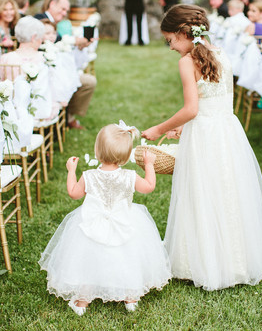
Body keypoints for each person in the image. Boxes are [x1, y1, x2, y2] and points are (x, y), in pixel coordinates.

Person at [141, 4, 262, 290]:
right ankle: (236, 260)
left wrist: (159, 128)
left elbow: (191, 109)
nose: (171, 48)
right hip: (226, 131)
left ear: (182, 32)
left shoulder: (187, 62)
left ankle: (200, 261)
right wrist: (185, 125)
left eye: (170, 41)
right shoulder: (222, 54)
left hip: (204, 134)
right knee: (227, 190)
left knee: (201, 191)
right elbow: (213, 103)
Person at [39, 122, 171, 314]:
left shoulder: (89, 176)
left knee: (89, 260)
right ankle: (130, 297)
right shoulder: (130, 176)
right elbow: (149, 186)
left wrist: (70, 171)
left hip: (91, 225)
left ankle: (83, 301)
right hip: (125, 222)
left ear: (97, 151)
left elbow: (74, 193)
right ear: (126, 156)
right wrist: (149, 165)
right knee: (126, 258)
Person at [34, 0, 97, 130]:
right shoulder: (39, 20)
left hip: (60, 70)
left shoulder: (58, 25)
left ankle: (69, 116)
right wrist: (75, 41)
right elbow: (57, 40)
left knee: (85, 81)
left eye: (66, 11)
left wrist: (79, 45)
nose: (64, 13)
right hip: (46, 74)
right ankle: (65, 119)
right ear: (52, 4)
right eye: (62, 9)